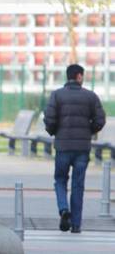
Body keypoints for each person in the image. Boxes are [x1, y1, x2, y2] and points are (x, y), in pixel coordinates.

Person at [44, 64, 105, 234]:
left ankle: (64, 210)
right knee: (78, 185)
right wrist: (88, 131)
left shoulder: (57, 95)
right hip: (82, 148)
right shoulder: (91, 96)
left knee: (60, 180)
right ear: (79, 76)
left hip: (63, 146)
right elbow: (100, 120)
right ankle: (76, 225)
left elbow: (49, 119)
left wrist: (54, 132)